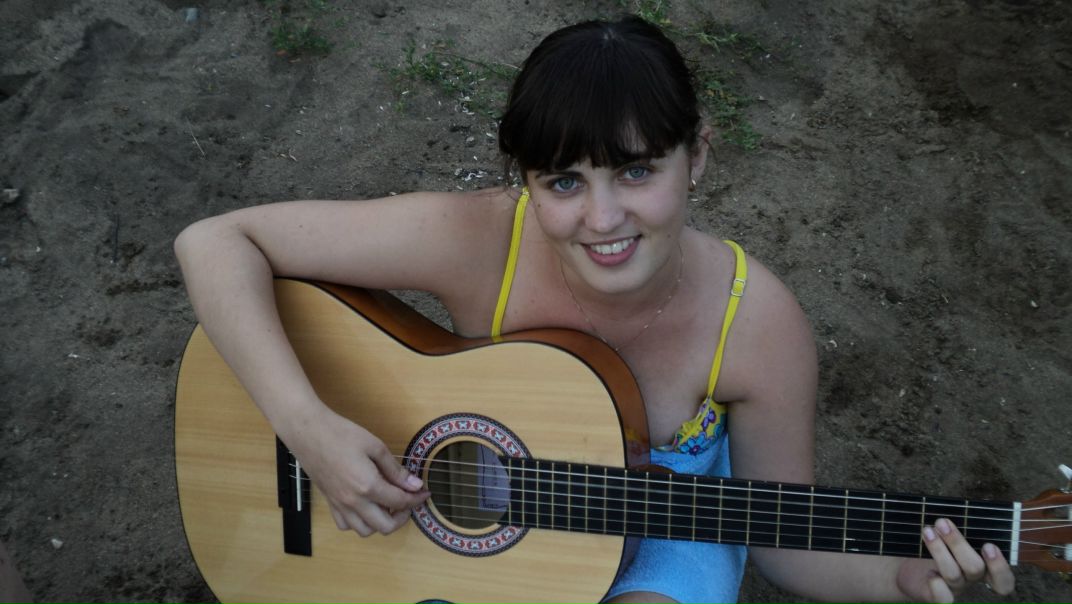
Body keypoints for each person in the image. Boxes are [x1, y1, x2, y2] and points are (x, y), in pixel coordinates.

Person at [175, 16, 1015, 604]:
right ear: (524, 180)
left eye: (637, 171)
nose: (603, 219)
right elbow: (214, 243)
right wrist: (309, 430)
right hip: (425, 530)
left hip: (666, 530)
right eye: (564, 182)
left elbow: (785, 547)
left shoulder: (755, 325)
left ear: (697, 155)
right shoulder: (481, 242)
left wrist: (900, 578)